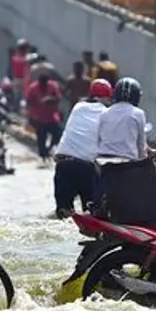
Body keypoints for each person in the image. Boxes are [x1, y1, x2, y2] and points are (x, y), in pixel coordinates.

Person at [54, 79, 112, 217]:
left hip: (63, 164)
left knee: (63, 213)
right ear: (106, 97)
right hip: (86, 168)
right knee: (91, 214)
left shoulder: (77, 107)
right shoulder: (107, 114)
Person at [97, 77, 148, 160]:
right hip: (126, 162)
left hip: (102, 160)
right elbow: (141, 144)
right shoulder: (138, 113)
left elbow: (98, 140)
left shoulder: (105, 112)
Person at [25, 68, 64, 162]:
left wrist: (50, 100)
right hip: (39, 117)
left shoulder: (52, 86)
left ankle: (50, 147)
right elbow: (28, 102)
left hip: (52, 116)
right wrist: (30, 116)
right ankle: (43, 157)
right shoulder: (33, 88)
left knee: (58, 134)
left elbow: (58, 98)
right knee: (41, 138)